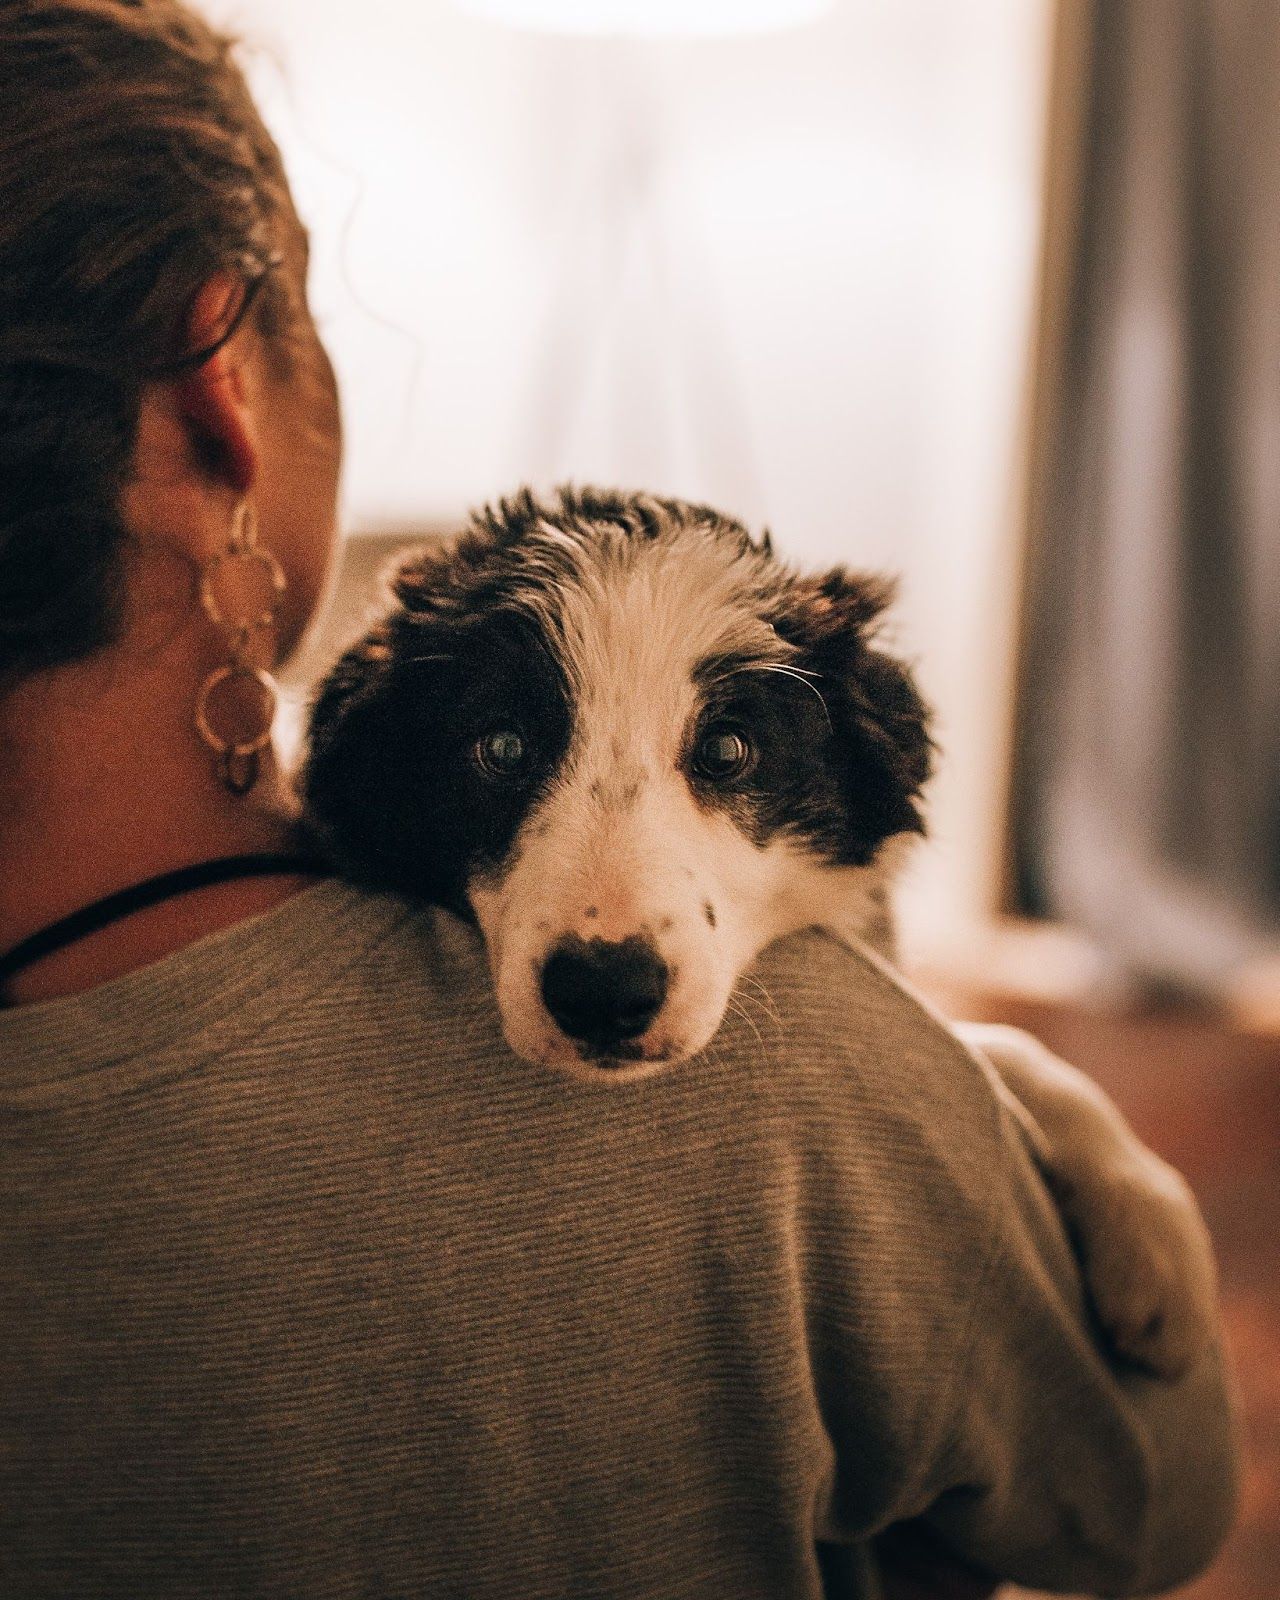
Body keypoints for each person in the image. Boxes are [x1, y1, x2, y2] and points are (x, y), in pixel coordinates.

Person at [0, 4, 1238, 1597]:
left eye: (725, 759)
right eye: (505, 755)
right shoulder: (801, 1095)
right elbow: (1157, 1506)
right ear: (219, 382)